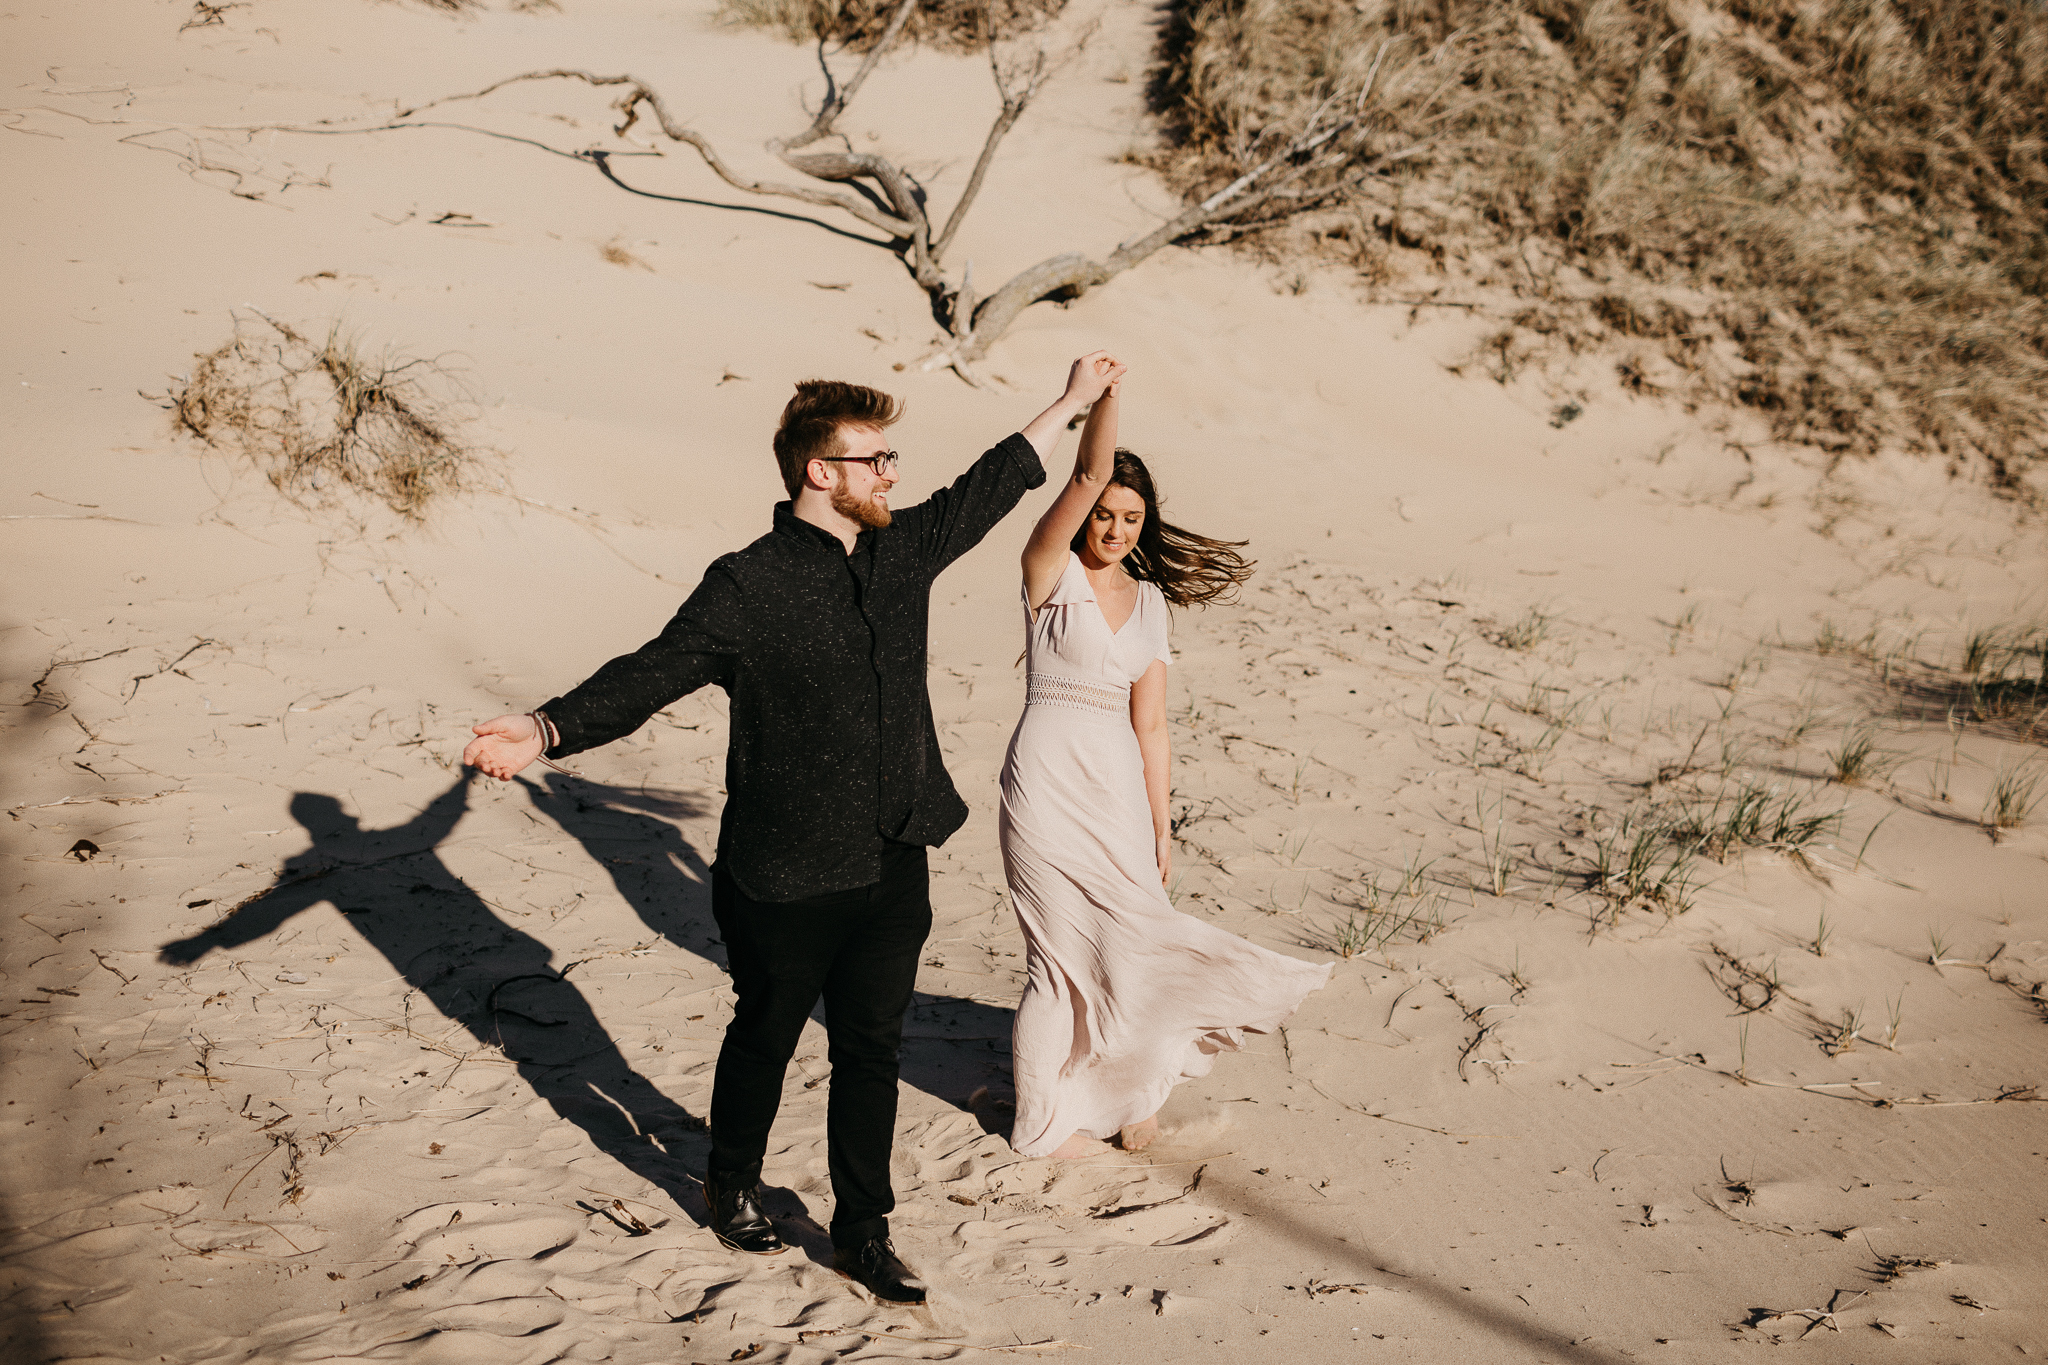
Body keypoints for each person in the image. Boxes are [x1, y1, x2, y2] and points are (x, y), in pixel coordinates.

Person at [462, 354, 1122, 1304]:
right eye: (875, 458)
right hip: (782, 873)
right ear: (822, 471)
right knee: (765, 1034)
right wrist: (547, 726)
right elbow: (652, 670)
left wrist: (1067, 402)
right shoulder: (746, 585)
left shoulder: (901, 552)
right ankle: (730, 1180)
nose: (892, 472)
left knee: (871, 1049)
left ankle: (863, 1230)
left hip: (894, 856)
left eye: (893, 457)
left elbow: (991, 484)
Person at [997, 363, 1333, 1161]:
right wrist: (1107, 397)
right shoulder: (1049, 570)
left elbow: (1153, 727)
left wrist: (1161, 822)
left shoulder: (1150, 604)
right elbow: (1082, 473)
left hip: (1117, 781)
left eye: (1131, 517)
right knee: (1056, 960)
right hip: (1045, 777)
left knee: (1138, 945)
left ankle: (1128, 1097)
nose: (1114, 528)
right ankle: (1040, 1122)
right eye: (1105, 513)